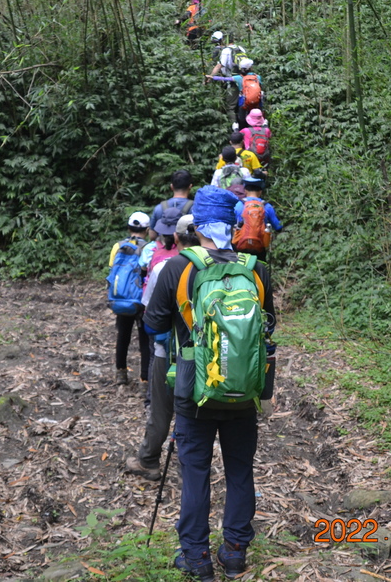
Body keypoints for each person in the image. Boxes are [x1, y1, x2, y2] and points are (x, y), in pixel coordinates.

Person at [143, 186, 276, 582]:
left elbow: (151, 325)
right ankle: (235, 552)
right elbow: (267, 331)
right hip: (243, 390)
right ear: (233, 224)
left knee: (196, 473)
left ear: (196, 225)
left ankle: (197, 558)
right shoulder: (256, 269)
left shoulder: (179, 268)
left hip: (192, 390)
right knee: (240, 471)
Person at [126, 212, 198, 481]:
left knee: (161, 410)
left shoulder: (164, 268)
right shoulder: (216, 268)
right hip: (207, 356)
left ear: (176, 237)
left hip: (167, 354)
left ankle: (148, 460)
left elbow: (151, 321)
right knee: (192, 412)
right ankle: (190, 470)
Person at [108, 211, 153, 386]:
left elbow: (112, 271)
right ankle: (144, 380)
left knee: (123, 336)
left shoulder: (117, 246)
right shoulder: (148, 248)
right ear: (147, 229)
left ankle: (121, 374)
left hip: (121, 298)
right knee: (144, 340)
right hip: (141, 301)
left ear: (129, 227)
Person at [233, 176, 283, 263]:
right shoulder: (267, 206)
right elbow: (278, 227)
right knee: (261, 269)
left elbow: (232, 224)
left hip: (240, 245)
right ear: (260, 192)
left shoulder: (238, 205)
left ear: (245, 191)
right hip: (259, 246)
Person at [206, 57, 263, 126]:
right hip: (256, 101)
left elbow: (225, 79)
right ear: (250, 68)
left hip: (243, 102)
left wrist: (212, 77)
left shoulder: (238, 78)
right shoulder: (258, 77)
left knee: (242, 118)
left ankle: (241, 130)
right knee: (255, 115)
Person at [149, 169, 194, 241]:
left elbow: (152, 235)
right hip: (186, 249)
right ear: (190, 186)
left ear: (171, 186)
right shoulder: (195, 208)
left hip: (164, 248)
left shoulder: (159, 208)